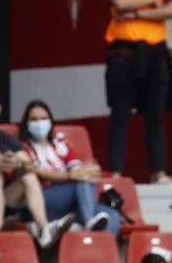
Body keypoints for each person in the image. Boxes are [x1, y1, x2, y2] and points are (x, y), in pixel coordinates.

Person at [0, 87, 75, 246]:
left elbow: (29, 165)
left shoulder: (7, 139)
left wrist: (17, 162)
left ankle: (44, 230)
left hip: (1, 200)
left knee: (29, 176)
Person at [104, 0, 172, 183]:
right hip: (124, 52)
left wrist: (137, 13)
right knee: (120, 114)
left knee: (155, 115)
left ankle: (159, 172)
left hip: (156, 52)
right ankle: (115, 172)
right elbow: (119, 2)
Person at [19, 99, 121, 234]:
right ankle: (88, 222)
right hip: (42, 200)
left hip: (68, 202)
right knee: (84, 178)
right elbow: (39, 173)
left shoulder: (61, 144)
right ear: (26, 124)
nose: (39, 123)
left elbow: (76, 169)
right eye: (34, 119)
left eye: (43, 118)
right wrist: (69, 176)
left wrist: (92, 170)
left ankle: (100, 248)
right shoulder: (23, 148)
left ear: (50, 121)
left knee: (111, 214)